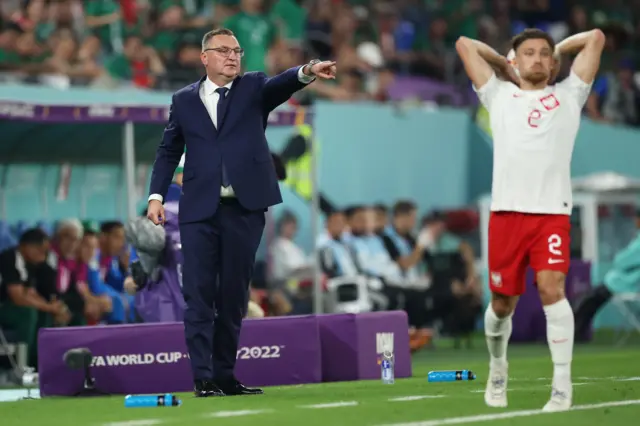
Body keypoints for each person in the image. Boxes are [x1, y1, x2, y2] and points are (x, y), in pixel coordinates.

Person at [146, 27, 337, 398]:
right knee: (198, 295)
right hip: (200, 210)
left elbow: (284, 83)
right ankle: (202, 378)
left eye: (236, 51)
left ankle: (225, 375)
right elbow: (168, 150)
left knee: (234, 296)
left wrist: (309, 69)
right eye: (223, 51)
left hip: (244, 210)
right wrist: (156, 195)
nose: (233, 56)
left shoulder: (253, 88)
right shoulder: (183, 100)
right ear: (205, 58)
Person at [456, 27, 604, 411]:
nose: (537, 59)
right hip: (506, 215)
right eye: (529, 53)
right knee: (502, 304)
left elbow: (596, 38)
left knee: (552, 289)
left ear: (554, 63)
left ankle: (561, 386)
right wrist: (502, 63)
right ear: (516, 60)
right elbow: (465, 44)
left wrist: (558, 46)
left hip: (552, 214)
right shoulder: (498, 95)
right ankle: (498, 366)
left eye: (544, 54)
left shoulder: (571, 94)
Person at [0, 228, 67, 368]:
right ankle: (21, 364)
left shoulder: (28, 263)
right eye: (40, 250)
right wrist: (49, 306)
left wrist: (53, 308)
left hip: (11, 306)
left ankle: (40, 363)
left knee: (44, 313)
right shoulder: (9, 258)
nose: (43, 255)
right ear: (26, 246)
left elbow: (30, 293)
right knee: (28, 313)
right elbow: (18, 297)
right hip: (3, 305)